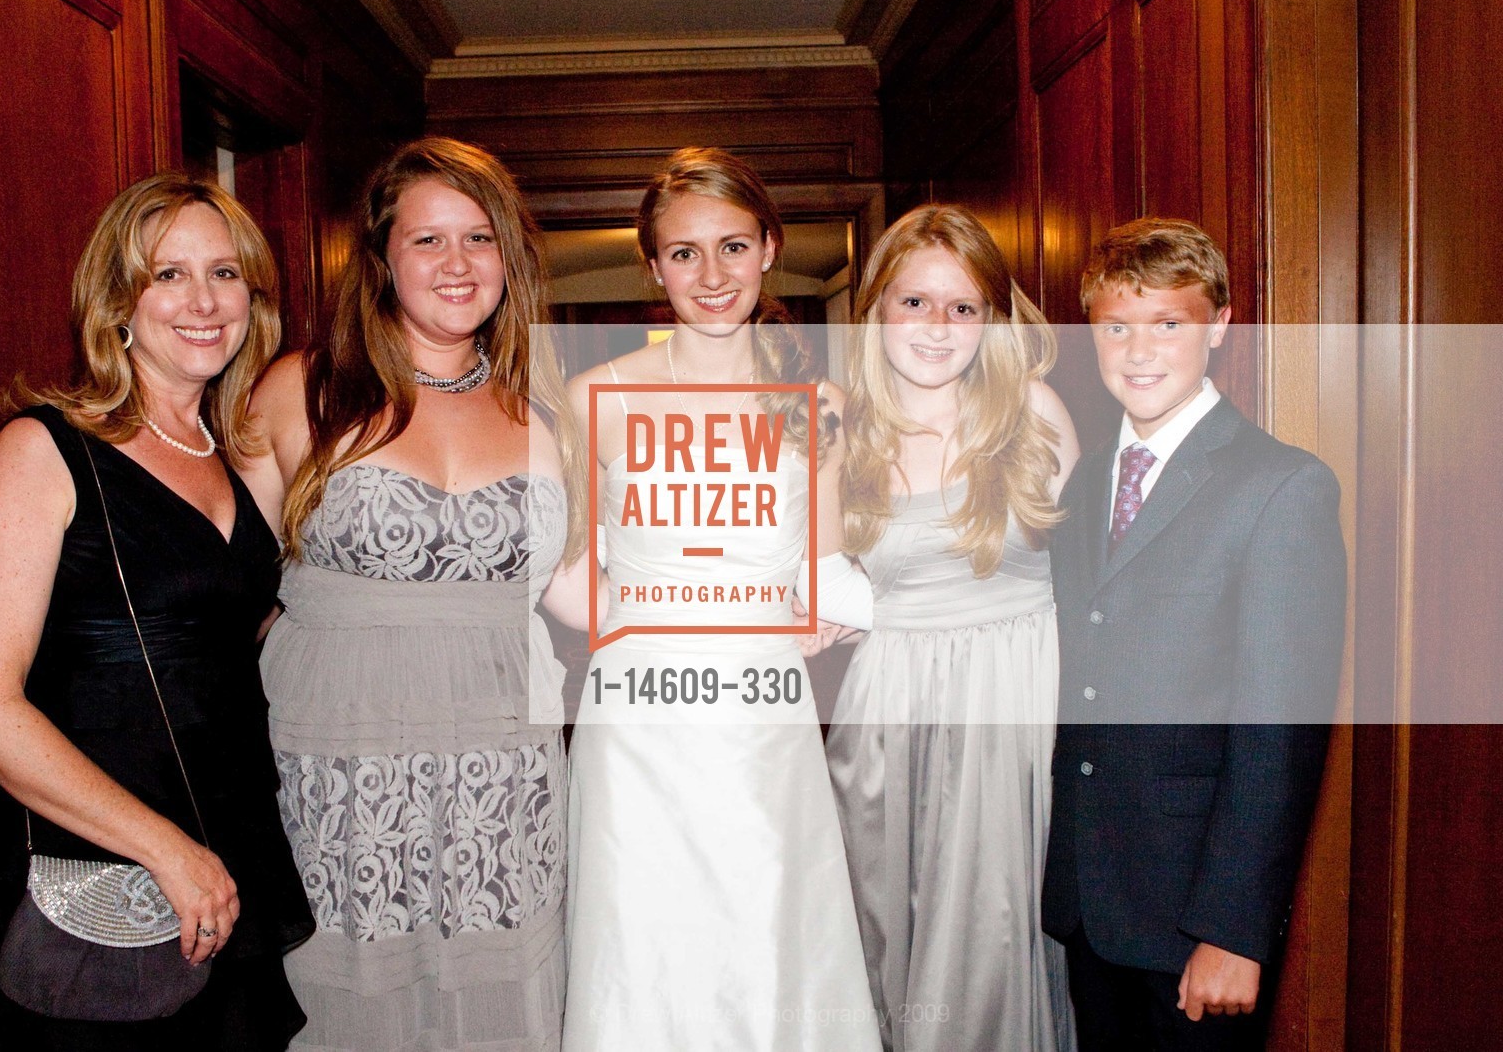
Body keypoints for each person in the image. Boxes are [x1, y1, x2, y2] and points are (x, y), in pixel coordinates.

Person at [0, 172, 313, 1049]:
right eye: (168, 274)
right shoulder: (44, 450)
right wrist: (165, 849)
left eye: (224, 273)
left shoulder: (238, 456)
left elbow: (230, 642)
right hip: (101, 865)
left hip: (230, 848)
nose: (202, 300)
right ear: (117, 301)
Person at [242, 136, 591, 1051]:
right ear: (381, 256)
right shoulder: (297, 391)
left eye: (479, 238)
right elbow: (215, 589)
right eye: (428, 239)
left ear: (508, 259)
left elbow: (582, 595)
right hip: (338, 768)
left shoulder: (544, 410)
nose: (456, 263)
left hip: (504, 773)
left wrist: (757, 618)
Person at [560, 147, 880, 1051]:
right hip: (640, 721)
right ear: (654, 266)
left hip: (765, 717)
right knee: (647, 952)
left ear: (770, 248)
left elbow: (823, 565)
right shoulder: (596, 400)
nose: (712, 274)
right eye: (685, 252)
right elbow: (564, 573)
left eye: (733, 246)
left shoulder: (816, 406)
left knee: (768, 937)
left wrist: (831, 608)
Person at [1040, 218, 1346, 1051]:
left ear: (1218, 325)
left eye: (1168, 324)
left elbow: (1280, 733)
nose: (1139, 351)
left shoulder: (1282, 487)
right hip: (1091, 897)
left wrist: (1236, 930)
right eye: (1116, 326)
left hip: (1197, 919)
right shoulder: (1089, 476)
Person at [824, 204, 1080, 1051]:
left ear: (990, 320)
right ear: (877, 310)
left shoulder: (1033, 413)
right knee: (886, 930)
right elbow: (808, 584)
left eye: (963, 307)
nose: (939, 327)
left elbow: (1091, 583)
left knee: (993, 934)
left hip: (1013, 703)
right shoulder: (838, 430)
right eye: (915, 302)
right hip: (889, 710)